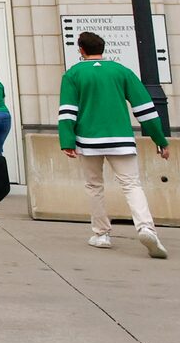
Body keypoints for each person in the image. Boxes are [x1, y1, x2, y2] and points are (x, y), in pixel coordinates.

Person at [56, 31, 168, 258]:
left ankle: (101, 233)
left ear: (81, 50)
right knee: (132, 185)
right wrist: (160, 140)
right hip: (121, 138)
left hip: (88, 140)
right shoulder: (122, 71)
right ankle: (146, 227)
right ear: (103, 48)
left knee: (94, 186)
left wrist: (66, 141)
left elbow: (68, 111)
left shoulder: (73, 74)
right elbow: (145, 109)